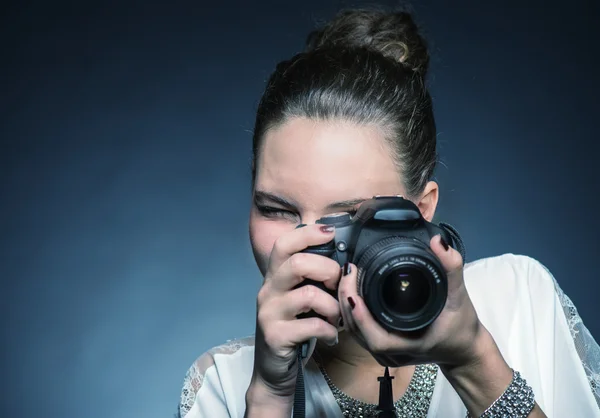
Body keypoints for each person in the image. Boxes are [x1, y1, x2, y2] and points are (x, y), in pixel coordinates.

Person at [176, 7, 600, 418]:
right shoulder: (223, 385)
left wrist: (473, 359)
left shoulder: (520, 301)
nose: (305, 245)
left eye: (348, 216)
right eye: (276, 210)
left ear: (421, 210)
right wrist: (270, 396)